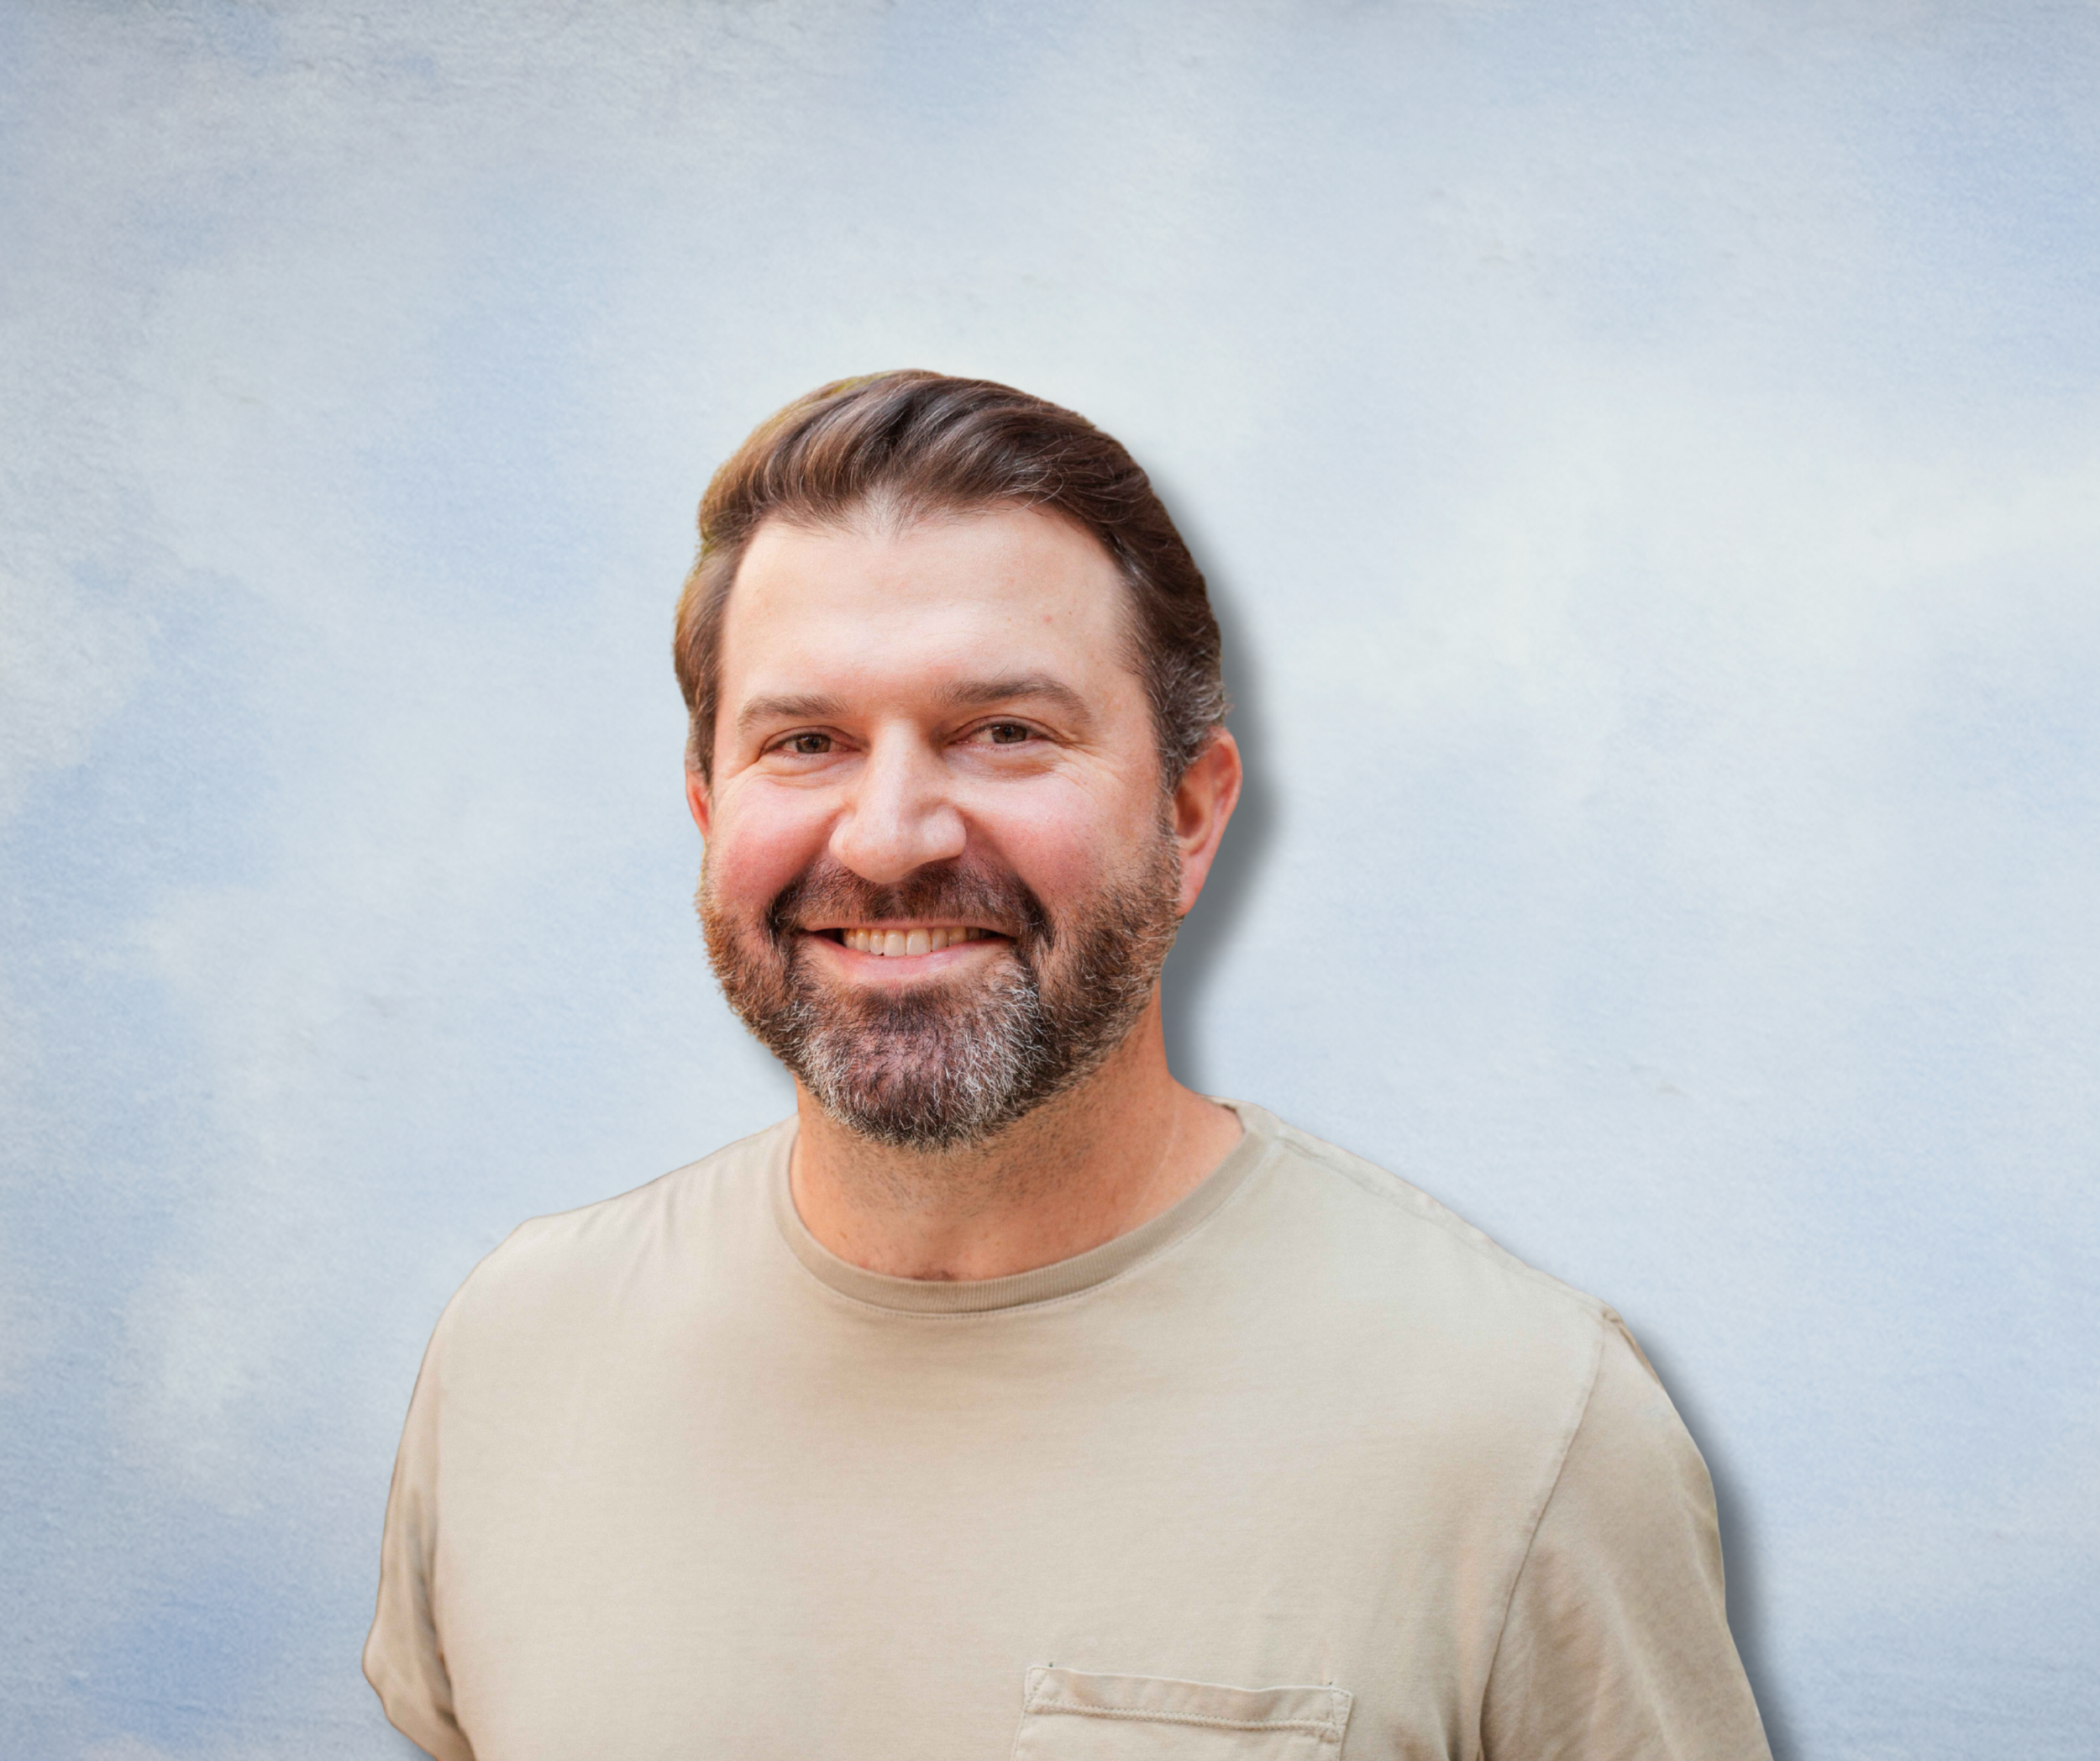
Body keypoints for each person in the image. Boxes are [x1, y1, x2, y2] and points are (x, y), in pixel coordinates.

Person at [364, 371, 1772, 1760]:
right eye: (806, 743)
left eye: (1005, 733)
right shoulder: (513, 1356)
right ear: (706, 807)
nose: (889, 836)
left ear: (1190, 814)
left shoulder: (1522, 1426)